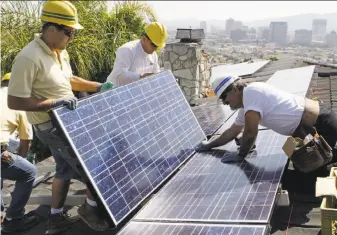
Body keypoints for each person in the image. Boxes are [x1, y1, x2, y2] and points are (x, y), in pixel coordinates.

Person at [7, 1, 114, 234]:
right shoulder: (28, 58)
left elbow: (69, 79)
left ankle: (55, 219)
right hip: (50, 125)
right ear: (51, 29)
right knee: (90, 166)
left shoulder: (59, 52)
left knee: (64, 169)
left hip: (67, 121)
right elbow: (14, 100)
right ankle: (90, 209)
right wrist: (53, 104)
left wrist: (98, 86)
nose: (71, 37)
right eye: (68, 32)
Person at [197, 75, 337, 167]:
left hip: (321, 125)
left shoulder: (251, 92)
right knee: (301, 168)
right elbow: (233, 131)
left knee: (309, 172)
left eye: (224, 97)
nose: (224, 102)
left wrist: (241, 155)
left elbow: (251, 132)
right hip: (311, 129)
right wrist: (209, 145)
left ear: (234, 90)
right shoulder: (246, 106)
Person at [1, 73, 39, 233]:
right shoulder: (18, 104)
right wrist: (18, 160)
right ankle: (13, 219)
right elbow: (25, 143)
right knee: (29, 172)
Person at [107, 22, 167, 87]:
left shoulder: (153, 55)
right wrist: (140, 77)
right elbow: (119, 75)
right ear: (144, 39)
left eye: (157, 46)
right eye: (154, 45)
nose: (155, 49)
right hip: (116, 92)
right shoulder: (127, 50)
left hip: (135, 93)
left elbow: (156, 73)